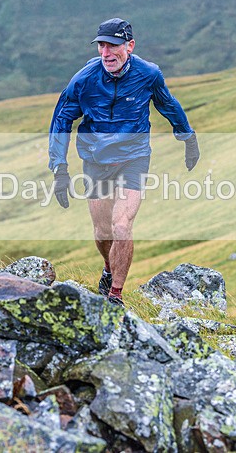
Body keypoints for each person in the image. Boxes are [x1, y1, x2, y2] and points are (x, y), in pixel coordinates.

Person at [48, 17, 200, 307]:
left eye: (113, 46)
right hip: (95, 159)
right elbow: (62, 119)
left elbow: (167, 104)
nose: (106, 53)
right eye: (101, 46)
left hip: (134, 157)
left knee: (121, 226)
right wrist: (59, 168)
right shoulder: (83, 80)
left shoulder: (149, 74)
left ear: (130, 46)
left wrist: (188, 138)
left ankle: (115, 294)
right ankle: (109, 267)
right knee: (103, 232)